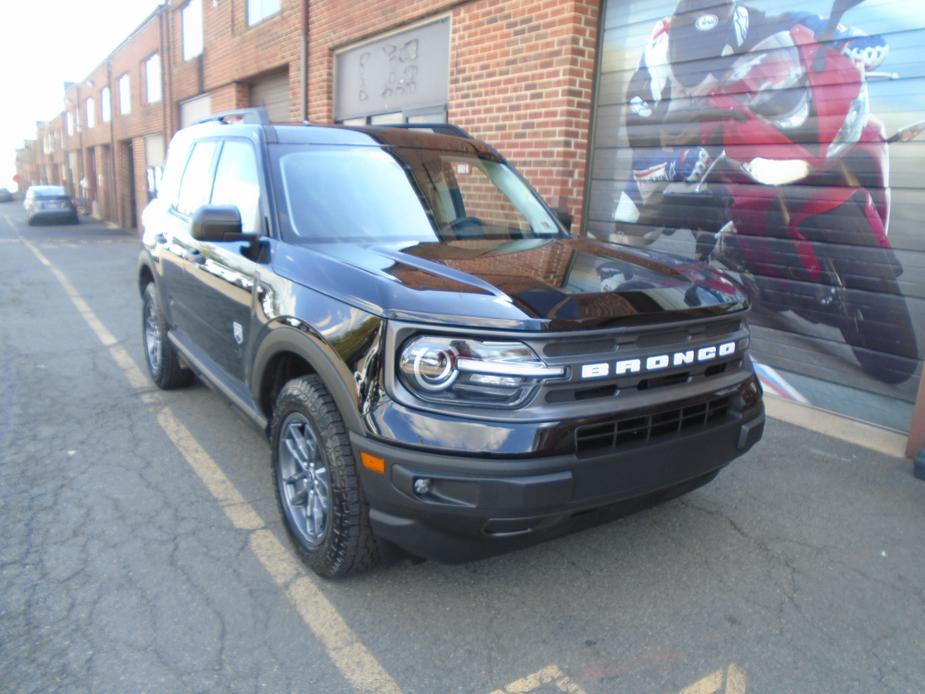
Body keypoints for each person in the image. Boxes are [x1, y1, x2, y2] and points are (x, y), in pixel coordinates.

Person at [613, 0, 887, 230]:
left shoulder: (743, 24)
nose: (707, 69)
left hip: (738, 129)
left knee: (874, 129)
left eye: (714, 53)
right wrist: (676, 163)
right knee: (629, 220)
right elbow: (641, 150)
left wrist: (849, 38)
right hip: (679, 146)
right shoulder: (651, 73)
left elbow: (795, 22)